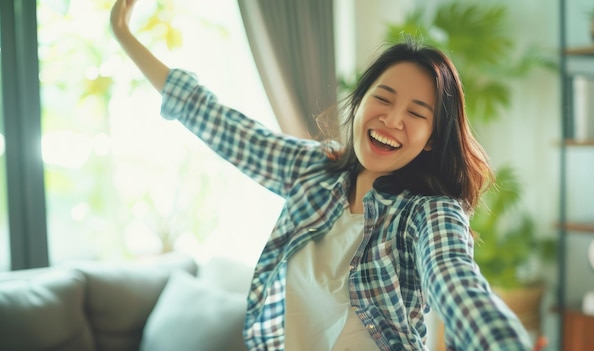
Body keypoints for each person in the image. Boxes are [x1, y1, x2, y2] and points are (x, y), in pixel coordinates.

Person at [110, 1, 547, 350]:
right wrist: (124, 35)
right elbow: (218, 120)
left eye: (416, 114)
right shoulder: (313, 171)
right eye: (384, 98)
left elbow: (459, 286)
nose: (392, 120)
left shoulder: (429, 215)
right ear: (359, 103)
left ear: (432, 139)